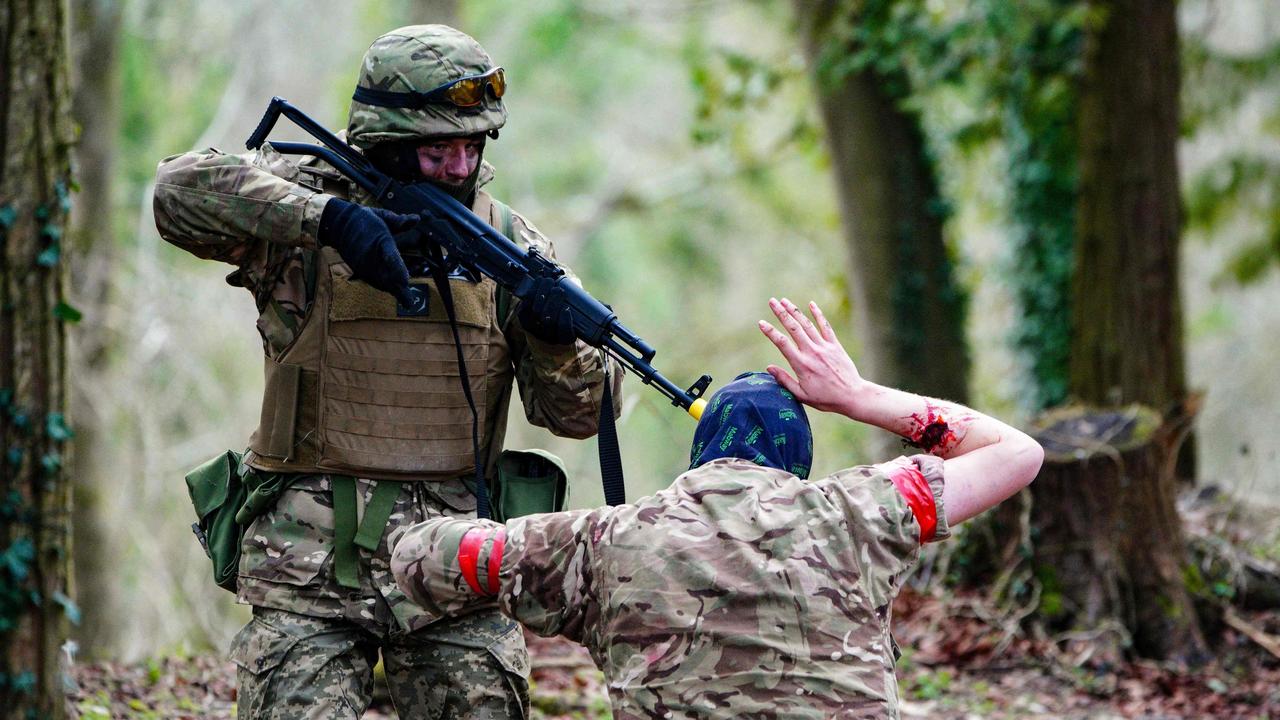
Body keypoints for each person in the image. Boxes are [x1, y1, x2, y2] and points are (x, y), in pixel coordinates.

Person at [154, 24, 622, 719]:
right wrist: (327, 220)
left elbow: (578, 416)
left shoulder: (510, 247)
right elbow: (175, 193)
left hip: (456, 570)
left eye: (472, 147)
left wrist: (555, 340)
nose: (460, 169)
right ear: (386, 144)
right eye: (438, 152)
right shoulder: (298, 211)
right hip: (305, 565)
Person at [391, 297, 1044, 719]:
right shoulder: (864, 511)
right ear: (797, 463)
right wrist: (857, 397)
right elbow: (1016, 453)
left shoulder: (603, 542)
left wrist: (462, 536)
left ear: (702, 456)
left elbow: (424, 558)